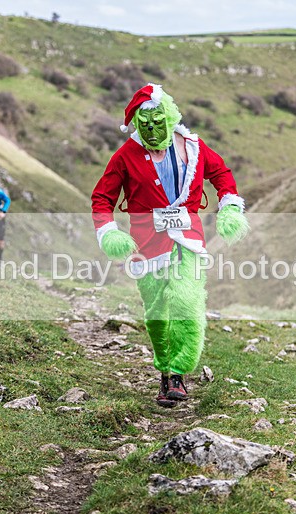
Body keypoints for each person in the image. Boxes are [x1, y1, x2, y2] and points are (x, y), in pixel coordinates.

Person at [91, 83, 250, 408]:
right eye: (143, 124)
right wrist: (109, 233)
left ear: (171, 116)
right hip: (146, 247)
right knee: (157, 314)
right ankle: (165, 370)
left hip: (188, 241)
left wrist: (230, 207)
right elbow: (102, 197)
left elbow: (221, 173)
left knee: (186, 300)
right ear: (136, 123)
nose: (151, 130)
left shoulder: (194, 147)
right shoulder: (125, 156)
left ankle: (178, 372)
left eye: (158, 122)